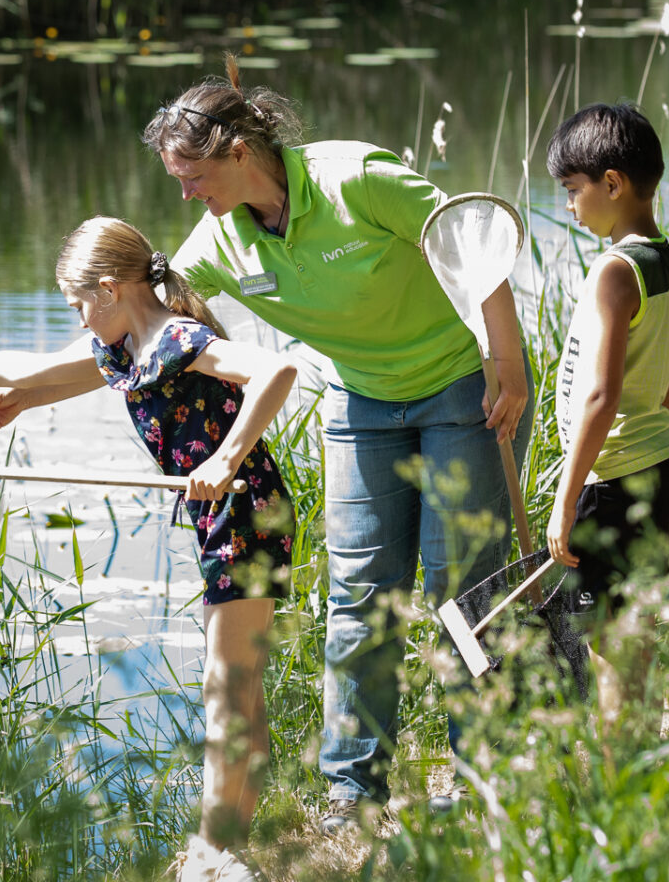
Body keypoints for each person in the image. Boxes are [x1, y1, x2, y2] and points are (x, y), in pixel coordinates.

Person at [144, 56, 534, 830]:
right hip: (360, 403)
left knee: (461, 588)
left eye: (191, 176)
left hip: (462, 386)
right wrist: (25, 379)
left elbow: (469, 239)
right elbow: (158, 316)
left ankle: (483, 775)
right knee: (359, 598)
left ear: (237, 153)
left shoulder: (355, 177)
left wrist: (509, 362)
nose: (186, 195)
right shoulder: (225, 235)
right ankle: (353, 792)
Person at [0, 217, 297, 882]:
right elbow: (32, 368)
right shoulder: (127, 347)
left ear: (110, 288)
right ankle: (236, 846)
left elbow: (277, 369)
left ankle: (214, 856)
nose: (75, 319)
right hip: (223, 513)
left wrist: (228, 453)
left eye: (76, 306)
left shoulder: (177, 337)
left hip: (245, 509)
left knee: (225, 689)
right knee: (239, 691)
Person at [542, 103, 669, 718]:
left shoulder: (612, 271)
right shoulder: (666, 261)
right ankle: (640, 776)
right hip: (665, 471)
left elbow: (601, 398)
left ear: (613, 183)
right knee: (640, 640)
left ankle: (617, 795)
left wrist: (565, 497)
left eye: (574, 191)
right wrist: (654, 434)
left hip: (613, 483)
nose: (570, 207)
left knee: (606, 648)